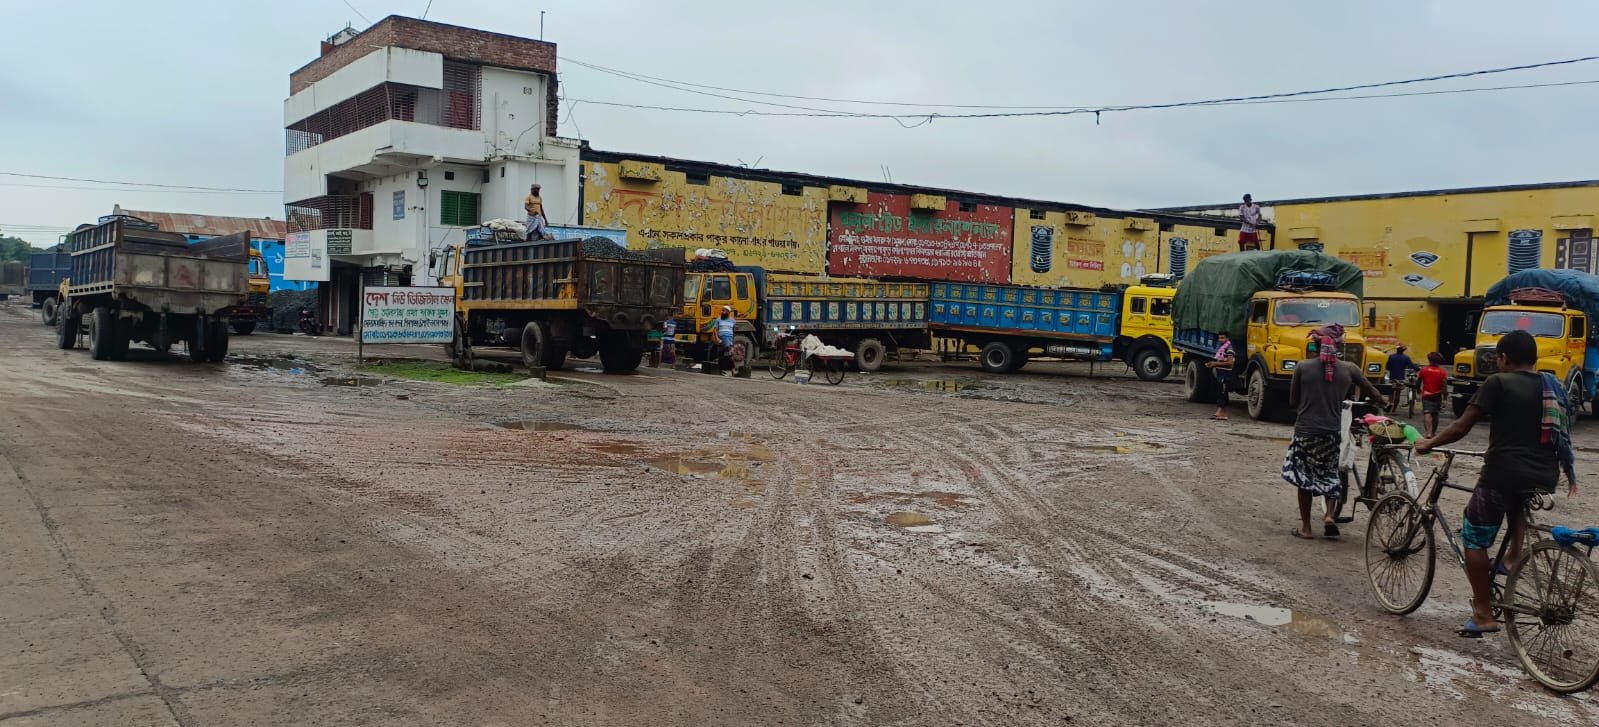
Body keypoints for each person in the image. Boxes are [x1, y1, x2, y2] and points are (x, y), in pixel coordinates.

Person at [1416, 330, 1578, 637]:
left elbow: (1461, 427)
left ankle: (1483, 613)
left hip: (1503, 473)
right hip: (1545, 474)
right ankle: (1513, 556)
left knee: (1474, 537)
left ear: (1503, 358)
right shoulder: (1550, 384)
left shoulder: (1498, 382)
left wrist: (1429, 443)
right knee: (1515, 504)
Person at [1284, 328, 1386, 539]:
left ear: (1315, 344)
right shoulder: (1349, 369)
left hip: (1305, 431)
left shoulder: (1302, 367)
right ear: (1338, 345)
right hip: (1331, 432)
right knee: (1330, 473)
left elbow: (1292, 402)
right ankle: (1330, 515)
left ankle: (1306, 528)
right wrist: (1382, 401)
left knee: (1304, 479)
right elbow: (1374, 392)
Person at [1205, 332, 1237, 420]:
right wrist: (1213, 364)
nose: (1220, 340)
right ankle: (1223, 414)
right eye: (1219, 338)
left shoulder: (1229, 349)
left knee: (1222, 393)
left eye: (1222, 338)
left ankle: (1218, 412)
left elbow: (1230, 363)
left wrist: (1215, 363)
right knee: (1222, 393)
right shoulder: (1222, 348)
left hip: (1225, 375)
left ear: (1227, 338)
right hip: (1220, 374)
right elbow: (1221, 360)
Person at [1418, 352, 1449, 437]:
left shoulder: (1424, 370)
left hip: (1426, 395)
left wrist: (1418, 389)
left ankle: (1428, 432)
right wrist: (1445, 398)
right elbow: (1444, 387)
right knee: (1435, 414)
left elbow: (1418, 381)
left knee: (1427, 413)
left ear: (1429, 360)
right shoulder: (1442, 372)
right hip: (1437, 396)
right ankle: (1433, 432)